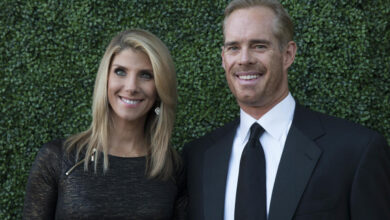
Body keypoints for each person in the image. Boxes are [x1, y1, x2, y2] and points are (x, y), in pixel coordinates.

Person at [183, 0, 390, 219]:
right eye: (233, 47)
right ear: (224, 58)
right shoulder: (198, 157)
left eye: (259, 46)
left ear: (288, 54)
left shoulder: (356, 151)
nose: (244, 59)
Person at [23, 29, 186, 219]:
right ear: (105, 80)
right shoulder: (59, 158)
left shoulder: (172, 168)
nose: (131, 87)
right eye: (120, 72)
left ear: (160, 88)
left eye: (146, 75)